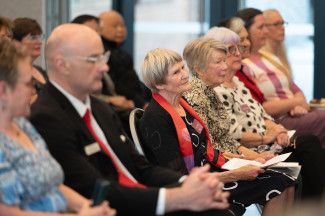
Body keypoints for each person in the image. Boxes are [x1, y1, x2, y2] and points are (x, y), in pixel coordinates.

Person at [30, 23, 231, 216]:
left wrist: (187, 182)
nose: (104, 67)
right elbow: (93, 188)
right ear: (62, 64)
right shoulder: (47, 118)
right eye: (94, 59)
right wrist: (175, 197)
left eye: (104, 57)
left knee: (213, 206)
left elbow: (141, 168)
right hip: (109, 207)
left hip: (138, 196)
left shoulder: (100, 108)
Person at [139, 46, 295, 215]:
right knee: (280, 180)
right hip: (194, 187)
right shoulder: (156, 118)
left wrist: (252, 159)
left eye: (183, 67)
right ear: (159, 84)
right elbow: (178, 177)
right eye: (176, 72)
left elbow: (208, 149)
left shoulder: (183, 104)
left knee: (286, 177)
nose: (185, 74)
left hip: (211, 172)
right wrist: (235, 174)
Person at [207, 26, 325, 199]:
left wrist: (278, 130)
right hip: (254, 148)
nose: (239, 53)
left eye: (238, 48)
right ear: (217, 56)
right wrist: (266, 138)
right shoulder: (218, 90)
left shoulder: (238, 82)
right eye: (231, 50)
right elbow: (234, 134)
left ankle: (312, 203)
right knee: (307, 146)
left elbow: (262, 114)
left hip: (268, 141)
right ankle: (311, 204)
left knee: (308, 143)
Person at [0, 37, 115, 216]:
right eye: (28, 83)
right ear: (3, 91)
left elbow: (53, 186)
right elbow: (7, 212)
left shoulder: (23, 125)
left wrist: (88, 206)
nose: (33, 90)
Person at [236, 8, 325, 148]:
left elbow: (293, 86)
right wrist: (294, 103)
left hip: (292, 114)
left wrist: (297, 103)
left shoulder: (267, 56)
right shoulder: (242, 66)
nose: (265, 31)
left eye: (266, 26)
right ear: (245, 31)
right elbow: (259, 107)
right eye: (261, 27)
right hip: (277, 120)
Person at [99, 10, 150, 109]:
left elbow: (133, 83)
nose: (120, 30)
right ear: (100, 29)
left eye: (122, 26)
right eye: (115, 26)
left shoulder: (120, 53)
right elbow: (124, 87)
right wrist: (143, 104)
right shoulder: (104, 54)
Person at [12, 17, 47, 96]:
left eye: (40, 37)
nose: (39, 42)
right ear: (16, 42)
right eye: (33, 37)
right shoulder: (13, 73)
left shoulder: (41, 70)